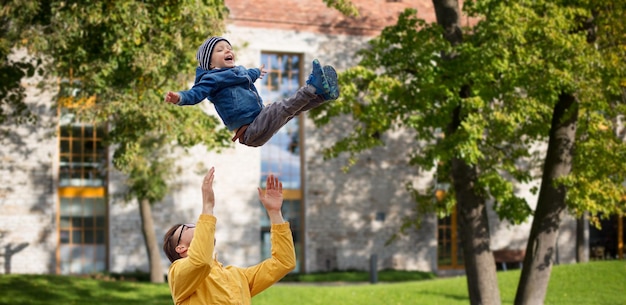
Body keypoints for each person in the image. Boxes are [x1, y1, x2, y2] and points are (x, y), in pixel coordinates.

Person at [164, 36, 340, 147]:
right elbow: (195, 94)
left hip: (259, 121)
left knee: (291, 111)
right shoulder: (211, 79)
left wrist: (258, 71)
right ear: (210, 64)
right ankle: (312, 87)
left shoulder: (238, 72)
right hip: (250, 132)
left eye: (229, 48)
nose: (227, 50)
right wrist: (179, 97)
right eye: (220, 50)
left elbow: (249, 74)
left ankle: (322, 95)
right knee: (281, 107)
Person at [162, 167, 296, 305]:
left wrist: (275, 213)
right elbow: (201, 262)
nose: (197, 225)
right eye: (188, 227)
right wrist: (207, 207)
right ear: (181, 248)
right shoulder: (177, 273)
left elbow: (284, 262)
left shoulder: (237, 276)